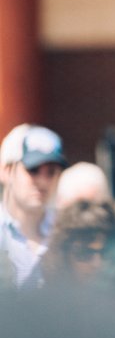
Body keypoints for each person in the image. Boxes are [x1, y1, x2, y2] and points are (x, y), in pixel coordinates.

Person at [0, 124, 69, 289]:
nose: (43, 181)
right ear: (6, 171)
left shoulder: (66, 231)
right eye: (33, 169)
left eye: (51, 172)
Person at [38, 198, 115, 287]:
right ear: (64, 256)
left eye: (107, 253)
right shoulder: (42, 305)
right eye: (84, 253)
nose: (97, 264)